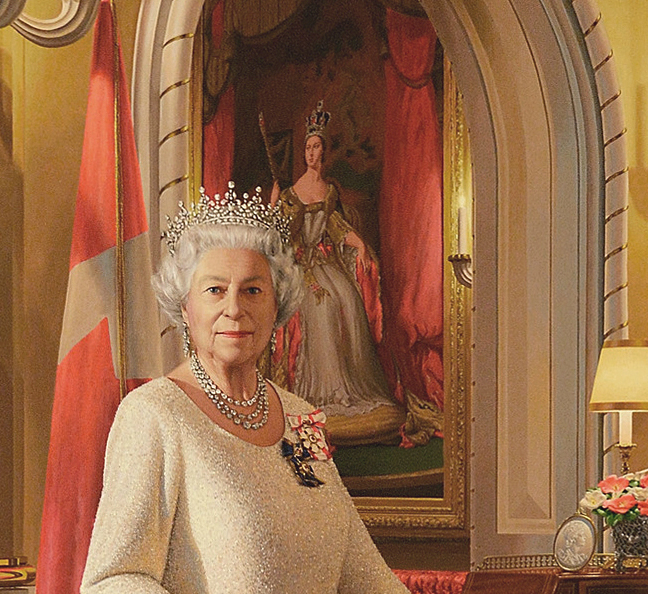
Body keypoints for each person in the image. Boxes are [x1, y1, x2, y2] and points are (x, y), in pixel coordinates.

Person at [80, 184, 409, 594]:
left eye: (253, 290)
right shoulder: (153, 415)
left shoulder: (301, 418)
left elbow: (363, 574)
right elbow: (113, 580)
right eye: (215, 290)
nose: (234, 308)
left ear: (278, 307)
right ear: (186, 307)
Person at [269, 101, 404, 446]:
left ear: (324, 153)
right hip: (299, 263)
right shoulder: (290, 192)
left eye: (317, 147)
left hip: (325, 261)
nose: (312, 153)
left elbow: (336, 226)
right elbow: (278, 234)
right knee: (321, 306)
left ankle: (349, 387)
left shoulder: (329, 190)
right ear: (303, 153)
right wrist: (274, 206)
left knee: (347, 297)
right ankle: (315, 390)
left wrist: (359, 244)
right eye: (308, 147)